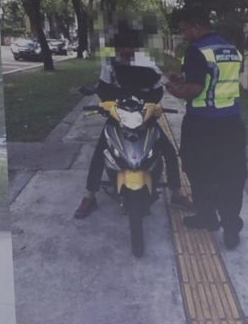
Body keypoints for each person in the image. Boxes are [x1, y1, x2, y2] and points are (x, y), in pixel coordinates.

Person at [73, 23, 184, 220]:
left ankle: (177, 194)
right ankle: (89, 196)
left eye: (130, 46)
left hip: (144, 116)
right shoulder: (109, 64)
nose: (126, 51)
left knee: (168, 151)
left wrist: (151, 107)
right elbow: (103, 89)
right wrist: (107, 106)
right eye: (122, 47)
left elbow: (158, 89)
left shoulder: (146, 63)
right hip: (119, 116)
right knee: (100, 153)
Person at [163, 0, 248, 247]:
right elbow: (218, 78)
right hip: (232, 123)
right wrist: (186, 76)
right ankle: (231, 226)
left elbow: (195, 89)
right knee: (231, 174)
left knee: (198, 169)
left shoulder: (196, 50)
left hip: (202, 125)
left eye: (184, 28)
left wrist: (175, 89)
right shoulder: (230, 48)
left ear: (197, 26)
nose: (182, 33)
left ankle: (207, 216)